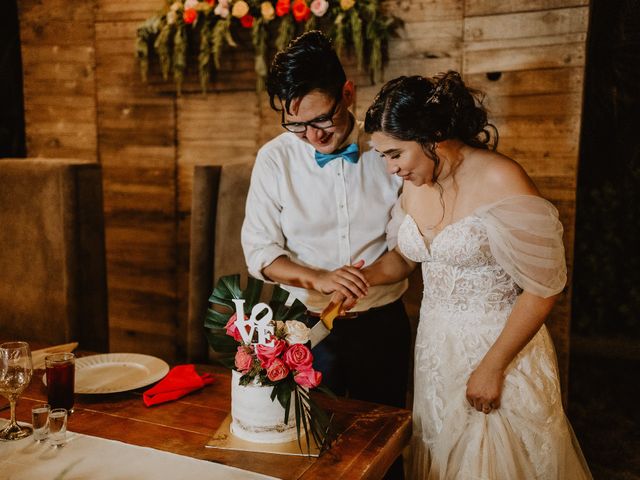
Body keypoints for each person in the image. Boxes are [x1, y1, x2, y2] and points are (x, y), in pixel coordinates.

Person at [364, 72, 593, 479]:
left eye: (395, 153)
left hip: (501, 348)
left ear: (433, 134)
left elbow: (543, 287)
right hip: (436, 351)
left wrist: (493, 366)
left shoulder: (501, 178)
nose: (390, 168)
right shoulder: (415, 182)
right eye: (382, 155)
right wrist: (361, 280)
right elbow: (405, 259)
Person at [241, 31, 412, 416]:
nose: (312, 136)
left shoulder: (391, 150)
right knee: (306, 444)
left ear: (348, 94)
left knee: (381, 440)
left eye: (321, 119)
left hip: (381, 324)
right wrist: (319, 279)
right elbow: (261, 252)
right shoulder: (274, 159)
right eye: (296, 125)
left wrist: (359, 280)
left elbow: (407, 248)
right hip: (302, 326)